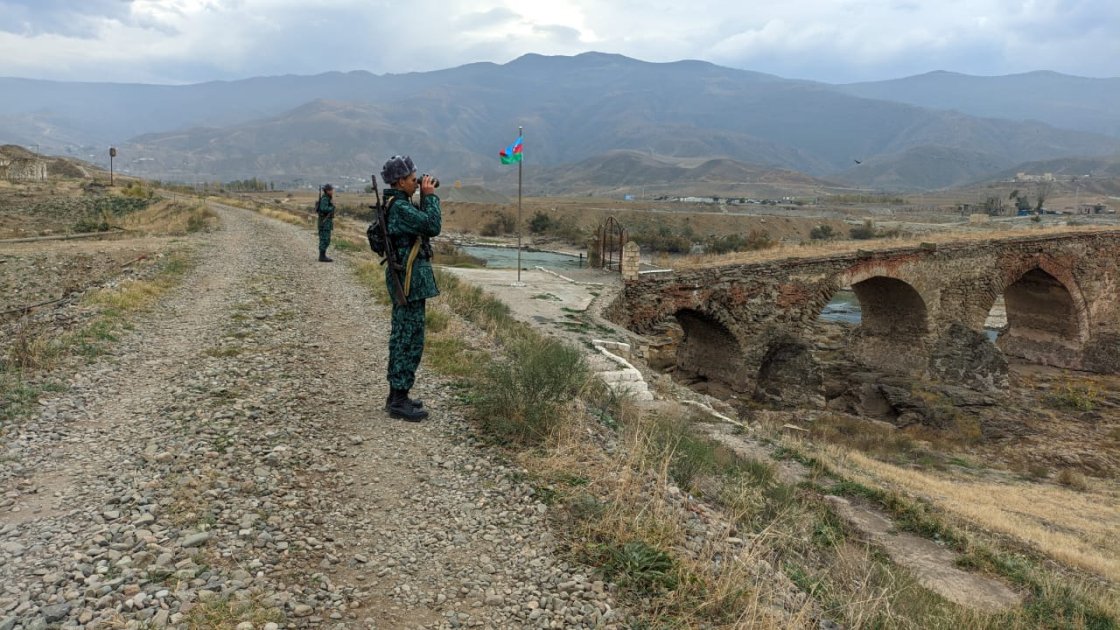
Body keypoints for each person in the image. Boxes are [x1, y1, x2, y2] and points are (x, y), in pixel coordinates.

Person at [380, 155, 441, 422]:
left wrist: (422, 196)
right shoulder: (400, 208)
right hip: (408, 284)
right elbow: (432, 225)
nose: (417, 183)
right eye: (413, 179)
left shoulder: (399, 204)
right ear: (399, 181)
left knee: (404, 336)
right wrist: (430, 197)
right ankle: (399, 400)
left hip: (409, 282)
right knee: (408, 339)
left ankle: (397, 395)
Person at [316, 183, 335, 262]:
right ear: (327, 191)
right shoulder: (325, 199)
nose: (332, 191)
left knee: (325, 239)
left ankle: (323, 255)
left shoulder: (327, 198)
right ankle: (322, 256)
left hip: (326, 222)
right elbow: (323, 208)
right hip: (324, 222)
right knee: (324, 239)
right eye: (331, 190)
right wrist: (331, 207)